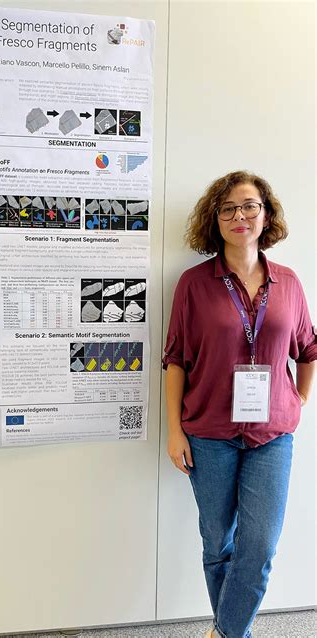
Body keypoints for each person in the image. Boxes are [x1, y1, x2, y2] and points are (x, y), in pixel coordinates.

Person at [162, 170, 316, 638]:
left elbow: (309, 349)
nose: (239, 216)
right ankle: (233, 632)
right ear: (215, 219)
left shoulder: (289, 282)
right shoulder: (193, 284)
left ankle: (225, 633)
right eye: (227, 208)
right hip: (208, 433)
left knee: (260, 546)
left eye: (249, 206)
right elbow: (176, 360)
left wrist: (299, 398)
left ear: (266, 215)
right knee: (217, 541)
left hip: (272, 435)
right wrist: (174, 430)